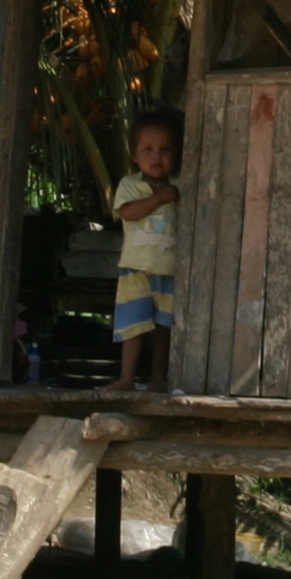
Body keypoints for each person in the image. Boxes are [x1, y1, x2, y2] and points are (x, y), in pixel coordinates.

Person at [109, 111, 182, 391]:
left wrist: (170, 193)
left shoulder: (180, 185)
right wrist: (160, 198)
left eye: (165, 150)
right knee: (134, 324)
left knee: (166, 327)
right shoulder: (131, 185)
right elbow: (127, 213)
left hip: (170, 269)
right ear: (135, 156)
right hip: (135, 268)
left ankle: (159, 378)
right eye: (148, 150)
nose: (157, 156)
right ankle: (126, 378)